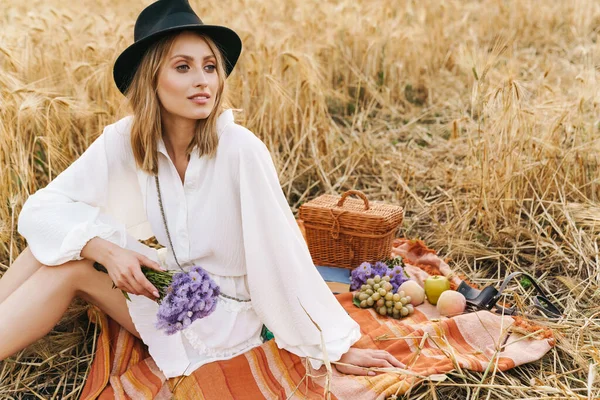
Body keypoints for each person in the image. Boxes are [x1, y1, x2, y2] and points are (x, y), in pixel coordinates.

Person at [0, 0, 403, 380]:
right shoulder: (126, 139)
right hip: (171, 285)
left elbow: (284, 253)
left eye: (210, 67)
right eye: (183, 67)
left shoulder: (240, 149)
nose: (202, 81)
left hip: (225, 318)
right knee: (53, 241)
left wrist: (329, 344)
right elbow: (40, 210)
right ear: (151, 79)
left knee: (68, 267)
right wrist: (104, 248)